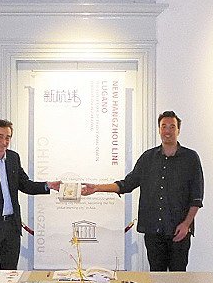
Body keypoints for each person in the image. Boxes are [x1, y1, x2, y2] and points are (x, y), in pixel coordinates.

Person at [82, 111, 204, 271]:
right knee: (156, 276)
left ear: (178, 130)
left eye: (172, 127)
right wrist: (97, 188)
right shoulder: (148, 158)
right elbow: (127, 184)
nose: (167, 131)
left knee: (178, 277)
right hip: (153, 231)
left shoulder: (190, 158)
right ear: (159, 130)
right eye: (164, 126)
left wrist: (186, 224)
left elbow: (197, 196)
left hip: (179, 230)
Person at [0, 119, 59, 270]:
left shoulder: (13, 158)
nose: (4, 141)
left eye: (7, 137)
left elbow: (25, 184)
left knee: (10, 274)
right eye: (0, 136)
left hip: (12, 227)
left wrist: (49, 185)